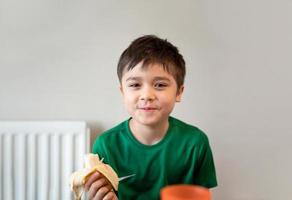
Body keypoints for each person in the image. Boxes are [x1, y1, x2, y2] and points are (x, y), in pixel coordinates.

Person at [84, 35, 217, 200]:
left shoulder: (195, 143)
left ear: (179, 92)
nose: (147, 95)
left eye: (160, 85)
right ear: (123, 92)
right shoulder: (106, 146)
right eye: (135, 85)